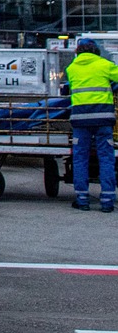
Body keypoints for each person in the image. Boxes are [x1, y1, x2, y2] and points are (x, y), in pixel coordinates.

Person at [63, 39, 118, 212]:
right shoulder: (105, 65)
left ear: (77, 52)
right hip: (103, 120)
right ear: (96, 50)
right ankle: (107, 202)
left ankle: (82, 200)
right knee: (106, 159)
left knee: (80, 159)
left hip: (80, 120)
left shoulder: (71, 69)